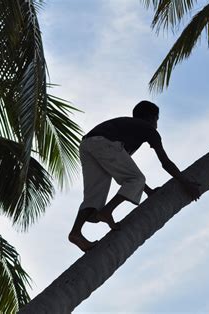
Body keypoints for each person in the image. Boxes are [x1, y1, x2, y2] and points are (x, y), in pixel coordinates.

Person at [68, 100, 201, 251]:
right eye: (157, 119)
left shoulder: (127, 128)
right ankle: (107, 211)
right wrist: (186, 183)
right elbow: (165, 162)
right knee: (137, 179)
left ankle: (76, 233)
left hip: (87, 144)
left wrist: (149, 191)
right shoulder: (148, 130)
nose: (157, 124)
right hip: (103, 142)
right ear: (151, 118)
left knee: (94, 196)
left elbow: (124, 168)